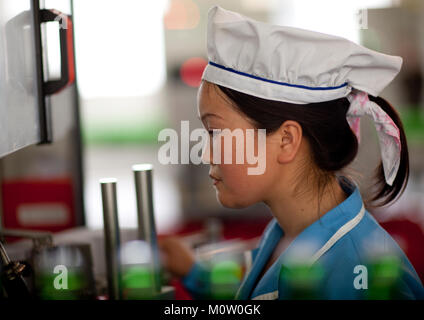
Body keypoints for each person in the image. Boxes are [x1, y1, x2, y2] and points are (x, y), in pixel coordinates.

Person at [159, 6, 424, 300]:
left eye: (216, 133)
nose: (206, 154)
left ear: (286, 139)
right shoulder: (288, 234)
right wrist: (191, 270)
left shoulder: (357, 275)